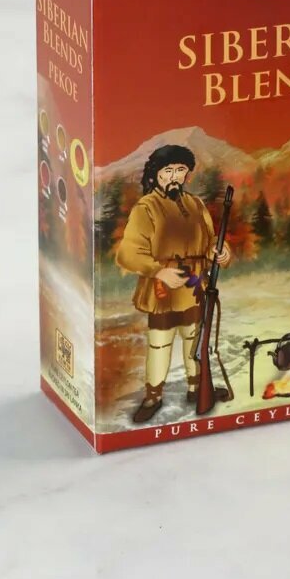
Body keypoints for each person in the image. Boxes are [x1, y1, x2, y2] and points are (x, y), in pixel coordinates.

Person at [116, 144, 231, 423]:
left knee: (195, 339)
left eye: (180, 170)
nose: (174, 177)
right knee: (160, 343)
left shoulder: (196, 205)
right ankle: (153, 396)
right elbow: (127, 253)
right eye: (168, 171)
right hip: (163, 291)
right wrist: (158, 271)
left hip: (194, 286)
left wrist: (220, 253)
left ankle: (196, 388)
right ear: (155, 175)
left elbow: (210, 242)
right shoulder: (146, 207)